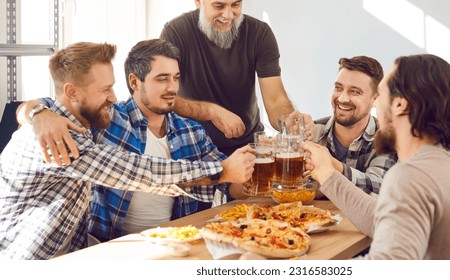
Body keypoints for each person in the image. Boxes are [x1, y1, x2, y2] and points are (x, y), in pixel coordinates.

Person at [0, 42, 254, 260]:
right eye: (105, 89)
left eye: (176, 78)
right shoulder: (57, 138)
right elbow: (138, 172)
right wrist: (36, 112)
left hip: (88, 254)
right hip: (30, 263)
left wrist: (244, 172)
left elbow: (230, 185)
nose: (113, 97)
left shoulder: (84, 126)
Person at [301, 54, 450, 259]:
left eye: (380, 95)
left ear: (400, 105)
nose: (376, 105)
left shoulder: (410, 176)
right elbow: (382, 220)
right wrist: (327, 175)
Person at [159, 0, 299, 156]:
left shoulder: (260, 33)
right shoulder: (176, 32)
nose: (228, 15)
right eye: (219, 6)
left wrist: (290, 122)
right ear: (198, 2)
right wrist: (211, 111)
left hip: (247, 147)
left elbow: (276, 100)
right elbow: (163, 97)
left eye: (235, 5)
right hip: (193, 149)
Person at [312, 56, 397, 195]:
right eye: (338, 88)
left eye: (355, 91)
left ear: (375, 98)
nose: (342, 98)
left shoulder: (387, 138)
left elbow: (380, 187)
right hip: (309, 216)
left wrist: (334, 167)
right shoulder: (312, 131)